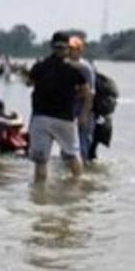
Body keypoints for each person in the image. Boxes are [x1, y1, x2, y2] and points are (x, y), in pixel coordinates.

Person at [27, 31, 91, 181]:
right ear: (68, 48)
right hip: (65, 120)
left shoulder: (39, 67)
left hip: (41, 118)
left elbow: (28, 83)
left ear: (51, 47)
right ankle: (78, 189)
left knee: (41, 162)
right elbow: (87, 94)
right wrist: (83, 115)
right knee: (73, 157)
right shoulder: (75, 69)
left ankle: (39, 198)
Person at [67, 36, 98, 161]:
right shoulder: (67, 65)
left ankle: (83, 167)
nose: (70, 51)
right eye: (69, 48)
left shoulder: (84, 67)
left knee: (82, 144)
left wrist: (83, 116)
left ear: (80, 50)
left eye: (73, 48)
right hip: (70, 111)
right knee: (69, 146)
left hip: (84, 111)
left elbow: (90, 93)